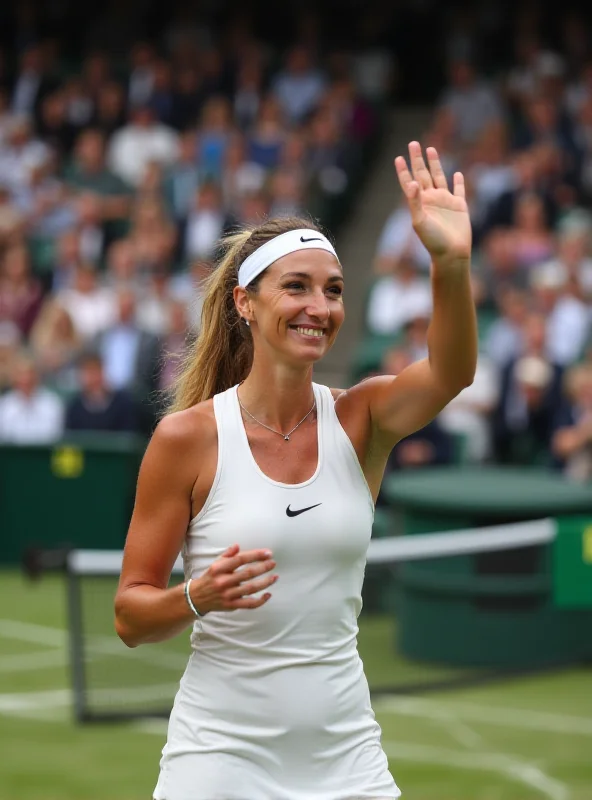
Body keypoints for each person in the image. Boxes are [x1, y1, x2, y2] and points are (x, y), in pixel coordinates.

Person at [114, 142, 476, 800]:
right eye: (298, 286)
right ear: (245, 303)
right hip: (217, 763)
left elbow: (451, 374)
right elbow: (131, 615)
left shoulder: (362, 417)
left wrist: (450, 264)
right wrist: (196, 596)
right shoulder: (186, 438)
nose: (321, 305)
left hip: (349, 762)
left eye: (333, 290)